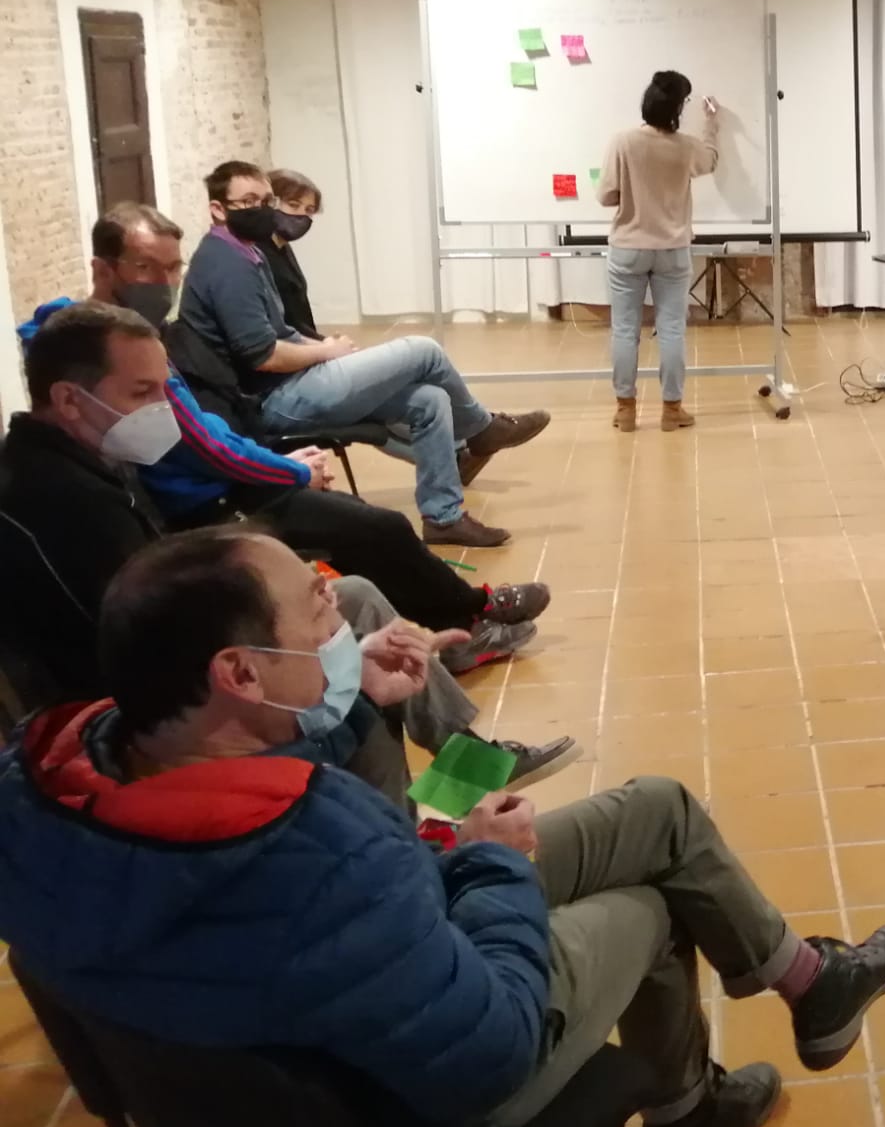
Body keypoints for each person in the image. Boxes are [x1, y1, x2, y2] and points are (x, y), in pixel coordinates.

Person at [0, 526, 885, 1127]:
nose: (340, 619)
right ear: (239, 673)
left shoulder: (47, 784)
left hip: (271, 1068)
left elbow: (234, 803)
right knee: (649, 906)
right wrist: (494, 863)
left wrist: (353, 706)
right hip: (411, 1105)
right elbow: (488, 1051)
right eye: (317, 610)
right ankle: (686, 1125)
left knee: (658, 812)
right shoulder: (319, 849)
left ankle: (812, 983)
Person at [0, 302, 572, 786]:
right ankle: (411, 835)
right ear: (69, 399)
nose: (162, 410)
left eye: (164, 390)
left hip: (182, 650)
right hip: (147, 712)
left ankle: (468, 771)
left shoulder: (87, 456)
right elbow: (147, 650)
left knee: (353, 596)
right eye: (143, 392)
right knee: (355, 681)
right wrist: (288, 630)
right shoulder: (58, 500)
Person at [24, 205, 553, 669]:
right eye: (146, 268)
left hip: (228, 470)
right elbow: (204, 441)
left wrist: (277, 458)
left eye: (171, 268)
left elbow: (205, 427)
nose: (163, 283)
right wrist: (293, 470)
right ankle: (471, 612)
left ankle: (461, 585)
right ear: (103, 268)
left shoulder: (143, 331)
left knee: (421, 412)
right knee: (379, 519)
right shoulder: (102, 350)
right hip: (209, 499)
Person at [178, 161, 549, 547]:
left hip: (293, 383)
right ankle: (481, 430)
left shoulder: (248, 253)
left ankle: (443, 518)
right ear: (218, 209)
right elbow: (265, 356)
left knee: (430, 400)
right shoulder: (226, 264)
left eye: (266, 200)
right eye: (248, 201)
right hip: (273, 399)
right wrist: (327, 352)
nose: (261, 209)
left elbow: (284, 332)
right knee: (425, 350)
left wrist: (328, 351)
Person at [600, 70, 721, 434]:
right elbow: (711, 160)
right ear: (678, 108)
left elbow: (606, 196)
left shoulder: (622, 142)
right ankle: (671, 410)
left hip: (628, 249)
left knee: (625, 330)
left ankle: (625, 411)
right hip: (672, 250)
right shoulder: (686, 147)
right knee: (671, 331)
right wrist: (712, 124)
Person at [262, 167, 323, 339]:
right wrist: (324, 346)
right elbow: (280, 325)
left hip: (304, 345)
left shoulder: (283, 247)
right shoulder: (259, 253)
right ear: (270, 202)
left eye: (309, 210)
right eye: (294, 205)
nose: (301, 214)